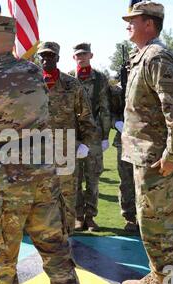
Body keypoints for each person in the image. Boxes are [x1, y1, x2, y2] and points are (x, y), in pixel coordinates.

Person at [0, 15, 80, 284]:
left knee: (2, 250)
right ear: (13, 40)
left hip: (5, 181)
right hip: (44, 176)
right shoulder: (34, 72)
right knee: (54, 244)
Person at [121, 1, 173, 284]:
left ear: (150, 23)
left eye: (133, 20)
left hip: (159, 160)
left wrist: (172, 154)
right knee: (149, 222)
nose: (127, 24)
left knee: (160, 225)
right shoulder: (143, 56)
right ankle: (157, 275)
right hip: (144, 156)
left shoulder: (157, 57)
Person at [37, 41, 97, 234]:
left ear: (58, 58)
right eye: (43, 56)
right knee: (41, 197)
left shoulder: (72, 84)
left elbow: (86, 116)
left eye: (51, 56)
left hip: (65, 148)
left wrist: (85, 143)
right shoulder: (31, 83)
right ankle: (46, 239)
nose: (47, 60)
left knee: (67, 196)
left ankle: (68, 238)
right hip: (37, 150)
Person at [70, 43, 111, 232]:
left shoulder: (100, 79)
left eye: (84, 54)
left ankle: (91, 217)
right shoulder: (69, 78)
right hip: (75, 135)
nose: (81, 57)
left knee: (93, 178)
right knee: (75, 178)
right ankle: (78, 217)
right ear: (74, 58)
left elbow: (104, 108)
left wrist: (104, 135)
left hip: (93, 135)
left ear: (91, 55)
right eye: (78, 55)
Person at [109, 83, 138, 232]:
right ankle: (130, 217)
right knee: (126, 180)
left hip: (149, 138)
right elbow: (110, 112)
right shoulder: (117, 90)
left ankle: (147, 217)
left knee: (147, 181)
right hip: (125, 140)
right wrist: (116, 123)